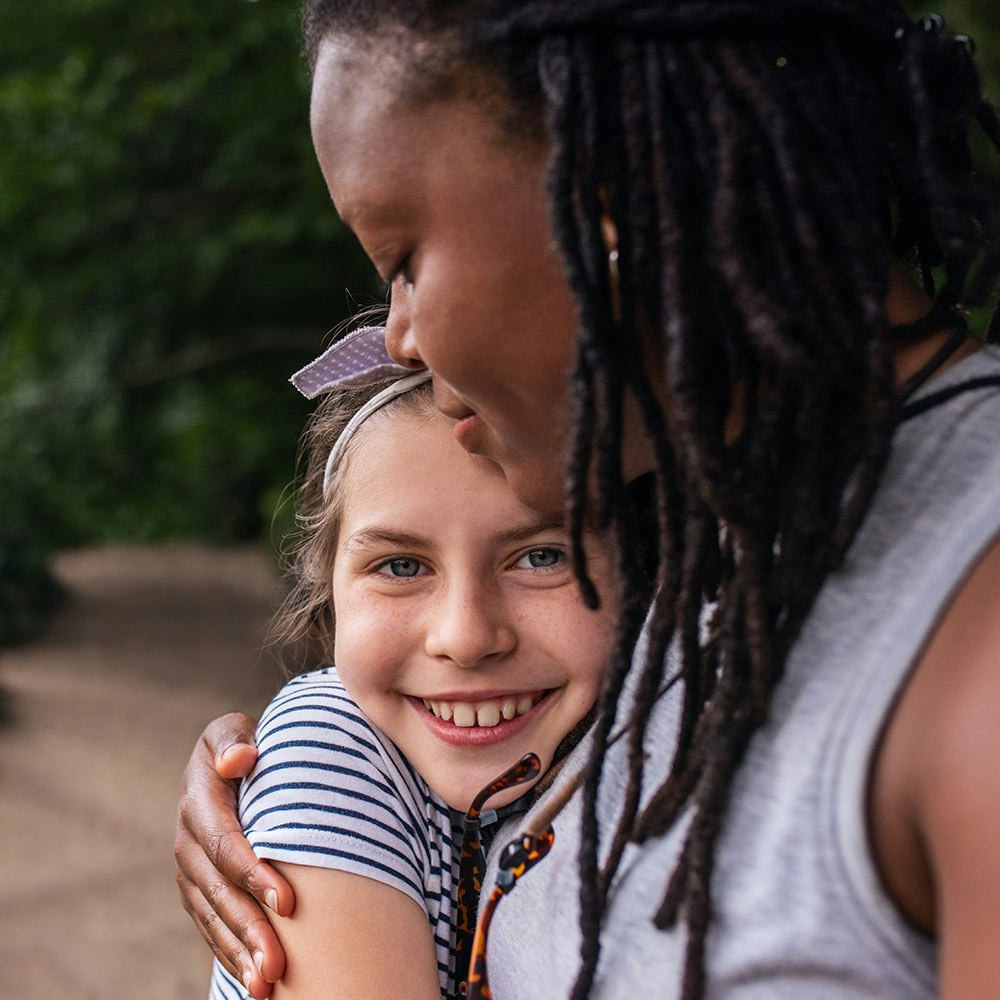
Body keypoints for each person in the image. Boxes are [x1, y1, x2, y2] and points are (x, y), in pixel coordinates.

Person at [174, 2, 1000, 997]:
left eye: (401, 263)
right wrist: (316, 762)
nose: (396, 338)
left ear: (606, 208)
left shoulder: (967, 639)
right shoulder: (689, 534)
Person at [205, 350, 618, 999]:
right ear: (327, 590)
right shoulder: (330, 742)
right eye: (401, 566)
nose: (467, 636)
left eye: (540, 557)